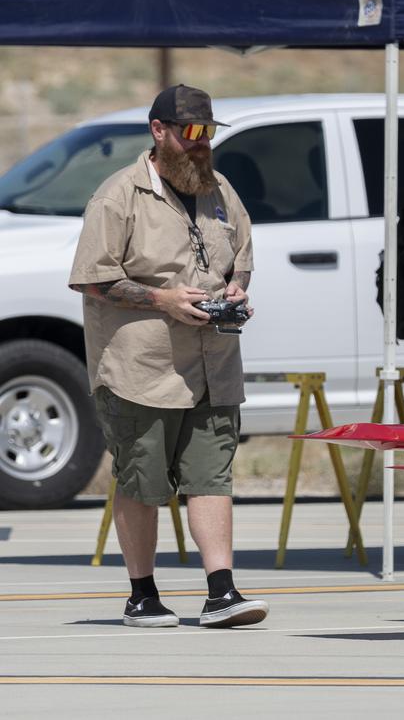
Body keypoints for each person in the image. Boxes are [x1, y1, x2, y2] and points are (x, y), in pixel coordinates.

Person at [68, 84, 266, 628]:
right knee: (142, 482)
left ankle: (221, 592)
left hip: (213, 365)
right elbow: (93, 279)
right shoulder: (118, 197)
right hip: (142, 370)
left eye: (209, 133)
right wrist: (163, 299)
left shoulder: (220, 190)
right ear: (159, 132)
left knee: (212, 476)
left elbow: (241, 257)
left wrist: (236, 289)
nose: (202, 145)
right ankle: (142, 595)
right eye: (192, 134)